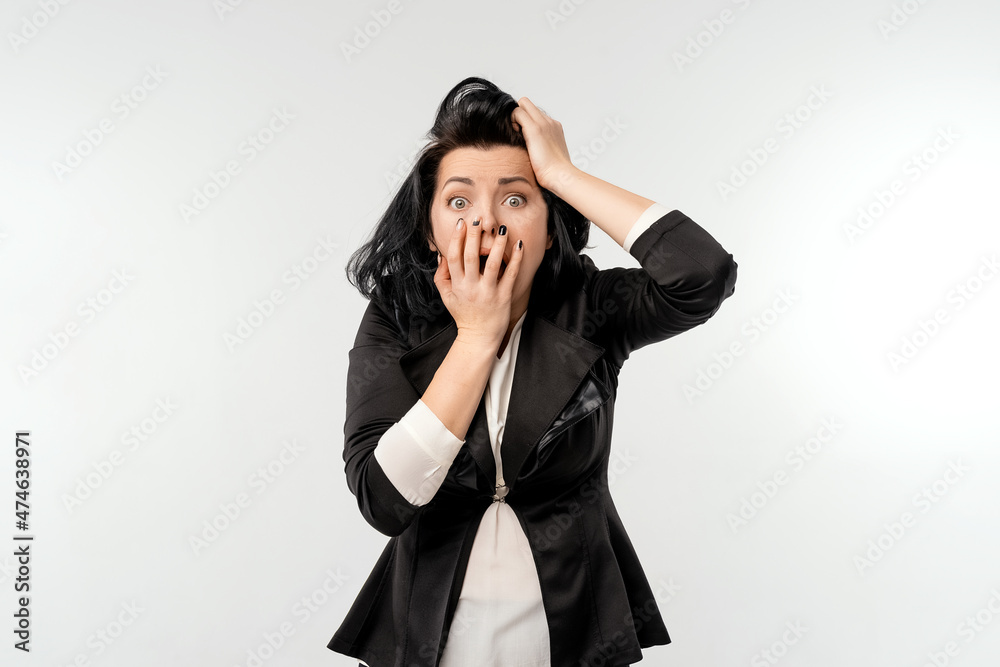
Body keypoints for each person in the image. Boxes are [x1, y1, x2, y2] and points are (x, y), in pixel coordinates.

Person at [328, 76, 738, 667]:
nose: (486, 222)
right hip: (424, 638)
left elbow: (703, 274)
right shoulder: (396, 315)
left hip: (575, 634)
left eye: (516, 199)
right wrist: (476, 337)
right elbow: (385, 500)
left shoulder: (590, 308)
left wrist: (564, 175)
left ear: (549, 233)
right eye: (459, 202)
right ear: (430, 232)